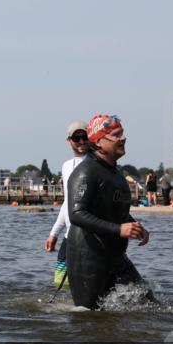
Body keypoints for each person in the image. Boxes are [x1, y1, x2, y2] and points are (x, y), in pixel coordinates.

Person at [67, 115, 151, 309]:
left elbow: (113, 210)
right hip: (89, 257)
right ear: (98, 142)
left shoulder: (115, 172)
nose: (123, 138)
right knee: (89, 318)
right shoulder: (86, 171)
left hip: (116, 257)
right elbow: (76, 214)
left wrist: (135, 226)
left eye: (122, 133)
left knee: (148, 304)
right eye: (115, 135)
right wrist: (119, 229)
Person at [44, 121, 90, 293]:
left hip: (89, 233)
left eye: (84, 137)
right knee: (60, 282)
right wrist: (54, 233)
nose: (81, 141)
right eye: (76, 138)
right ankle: (68, 318)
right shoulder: (66, 166)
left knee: (88, 282)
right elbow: (67, 202)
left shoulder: (96, 163)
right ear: (69, 141)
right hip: (70, 234)